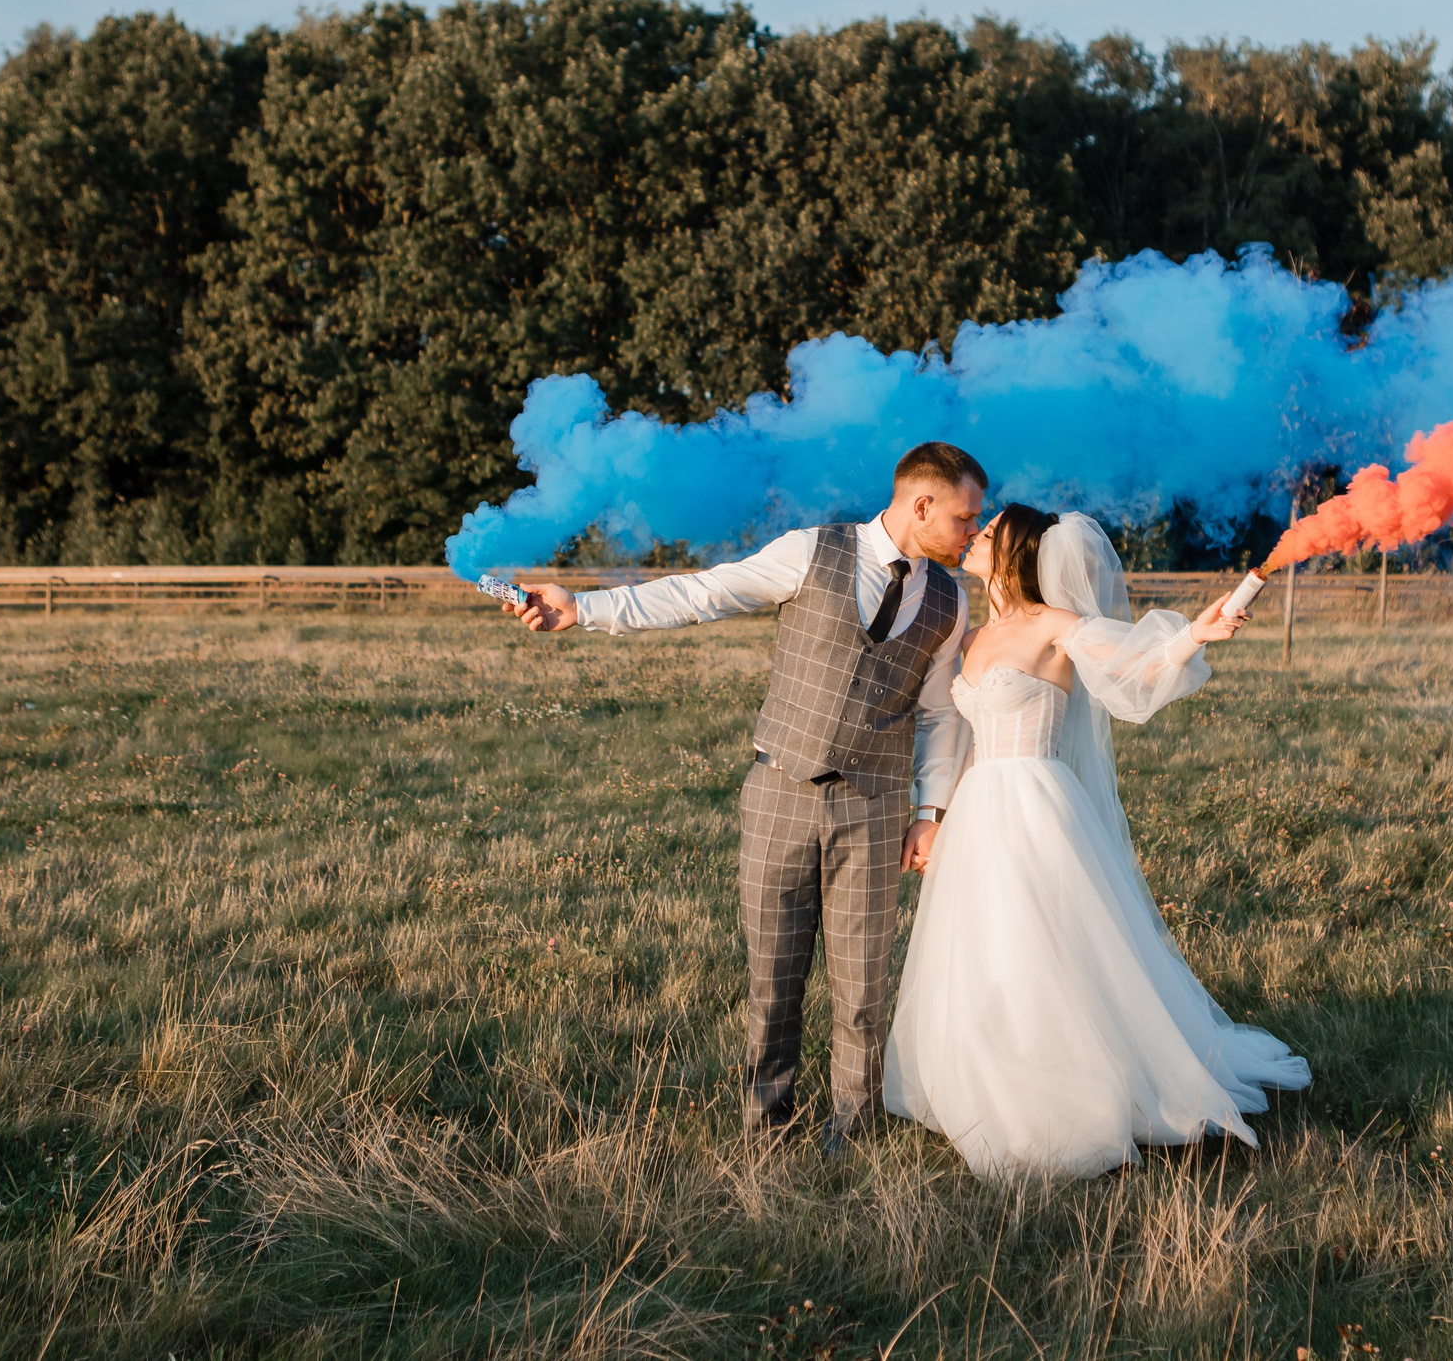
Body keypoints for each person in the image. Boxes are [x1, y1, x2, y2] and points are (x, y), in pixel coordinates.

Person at [508, 442, 985, 1155]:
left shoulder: (949, 599)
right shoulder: (810, 551)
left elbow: (942, 713)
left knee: (863, 984)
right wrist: (586, 607)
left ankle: (851, 1132)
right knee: (774, 973)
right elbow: (701, 594)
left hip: (876, 806)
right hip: (779, 790)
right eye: (964, 517)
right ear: (922, 504)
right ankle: (767, 1124)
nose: (972, 531)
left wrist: (929, 812)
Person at [884, 505, 1312, 1177]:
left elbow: (1138, 663)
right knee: (983, 939)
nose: (975, 536)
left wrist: (1193, 634)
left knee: (1041, 939)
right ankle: (986, 1069)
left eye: (989, 532)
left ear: (1016, 551)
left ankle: (1068, 1083)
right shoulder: (975, 634)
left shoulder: (1053, 624)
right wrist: (937, 817)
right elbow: (963, 733)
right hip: (979, 806)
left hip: (1036, 803)